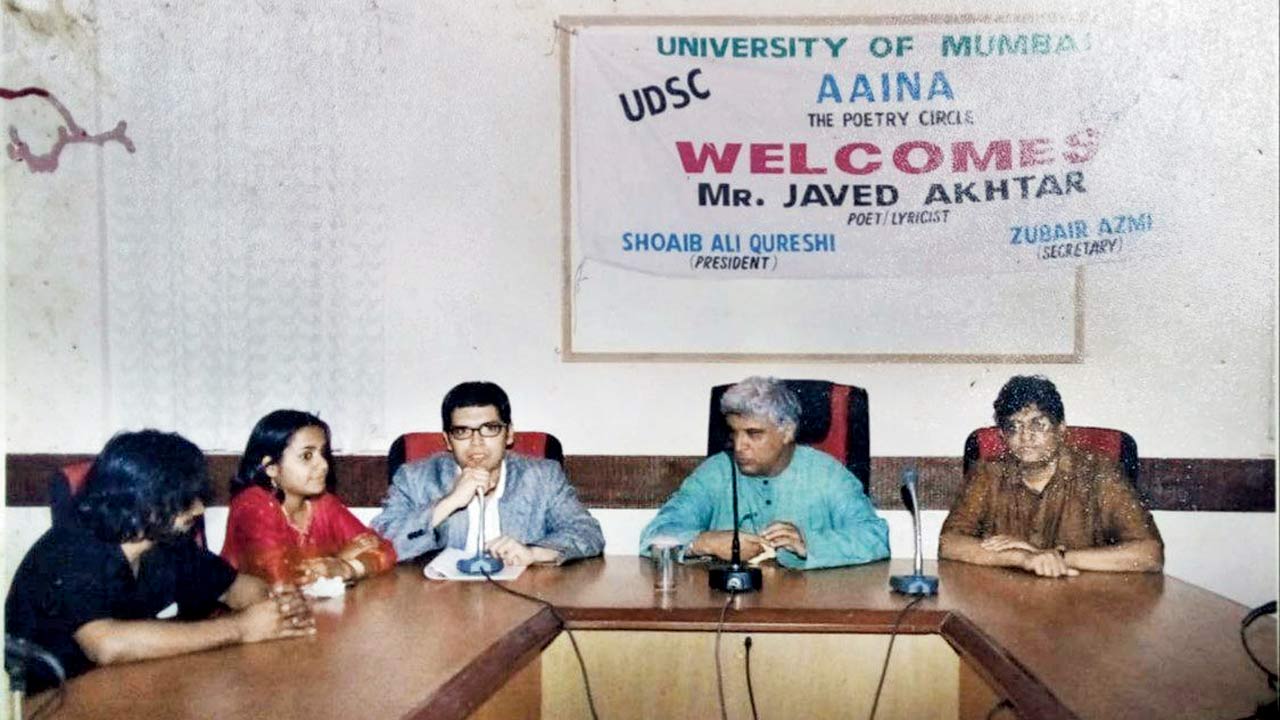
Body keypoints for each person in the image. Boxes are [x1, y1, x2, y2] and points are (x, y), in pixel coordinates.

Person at [5, 430, 314, 692]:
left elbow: (237, 588)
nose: (198, 510)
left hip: (128, 689)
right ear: (141, 499)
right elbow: (106, 644)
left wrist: (280, 603)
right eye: (185, 499)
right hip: (52, 702)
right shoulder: (69, 550)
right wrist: (241, 628)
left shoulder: (166, 543)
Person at [638, 376, 889, 570]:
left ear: (787, 432)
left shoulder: (828, 475)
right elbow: (653, 536)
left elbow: (876, 538)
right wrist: (704, 542)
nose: (739, 446)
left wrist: (809, 543)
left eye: (753, 434)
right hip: (730, 608)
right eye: (733, 433)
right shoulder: (716, 472)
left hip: (807, 610)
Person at [938, 375, 1164, 577]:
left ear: (1061, 428)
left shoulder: (1100, 473)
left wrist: (1052, 556)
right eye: (1014, 427)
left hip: (1086, 603)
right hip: (1006, 602)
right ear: (1003, 436)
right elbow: (949, 544)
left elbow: (1149, 553)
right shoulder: (987, 474)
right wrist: (1023, 558)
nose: (1025, 436)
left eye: (1038, 425)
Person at [371, 381, 604, 566]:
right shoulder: (414, 478)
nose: (477, 442)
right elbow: (378, 546)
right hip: (440, 606)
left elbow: (587, 533)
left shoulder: (542, 476)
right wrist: (449, 502)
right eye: (462, 431)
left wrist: (534, 553)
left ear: (509, 434)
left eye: (490, 429)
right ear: (448, 441)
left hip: (520, 601)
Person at [221, 410, 396, 586]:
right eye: (307, 456)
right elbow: (279, 580)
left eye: (323, 453)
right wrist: (336, 559)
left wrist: (347, 568)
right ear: (271, 467)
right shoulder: (252, 505)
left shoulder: (322, 504)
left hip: (312, 610)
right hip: (249, 612)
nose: (324, 465)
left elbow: (385, 550)